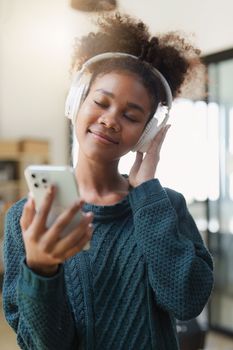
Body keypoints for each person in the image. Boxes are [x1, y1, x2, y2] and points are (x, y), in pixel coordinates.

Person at [3, 12, 213, 350]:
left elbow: (187, 301)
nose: (110, 120)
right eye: (100, 102)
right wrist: (41, 270)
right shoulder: (26, 218)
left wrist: (146, 195)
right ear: (76, 103)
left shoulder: (165, 206)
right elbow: (42, 345)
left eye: (131, 116)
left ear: (147, 133)